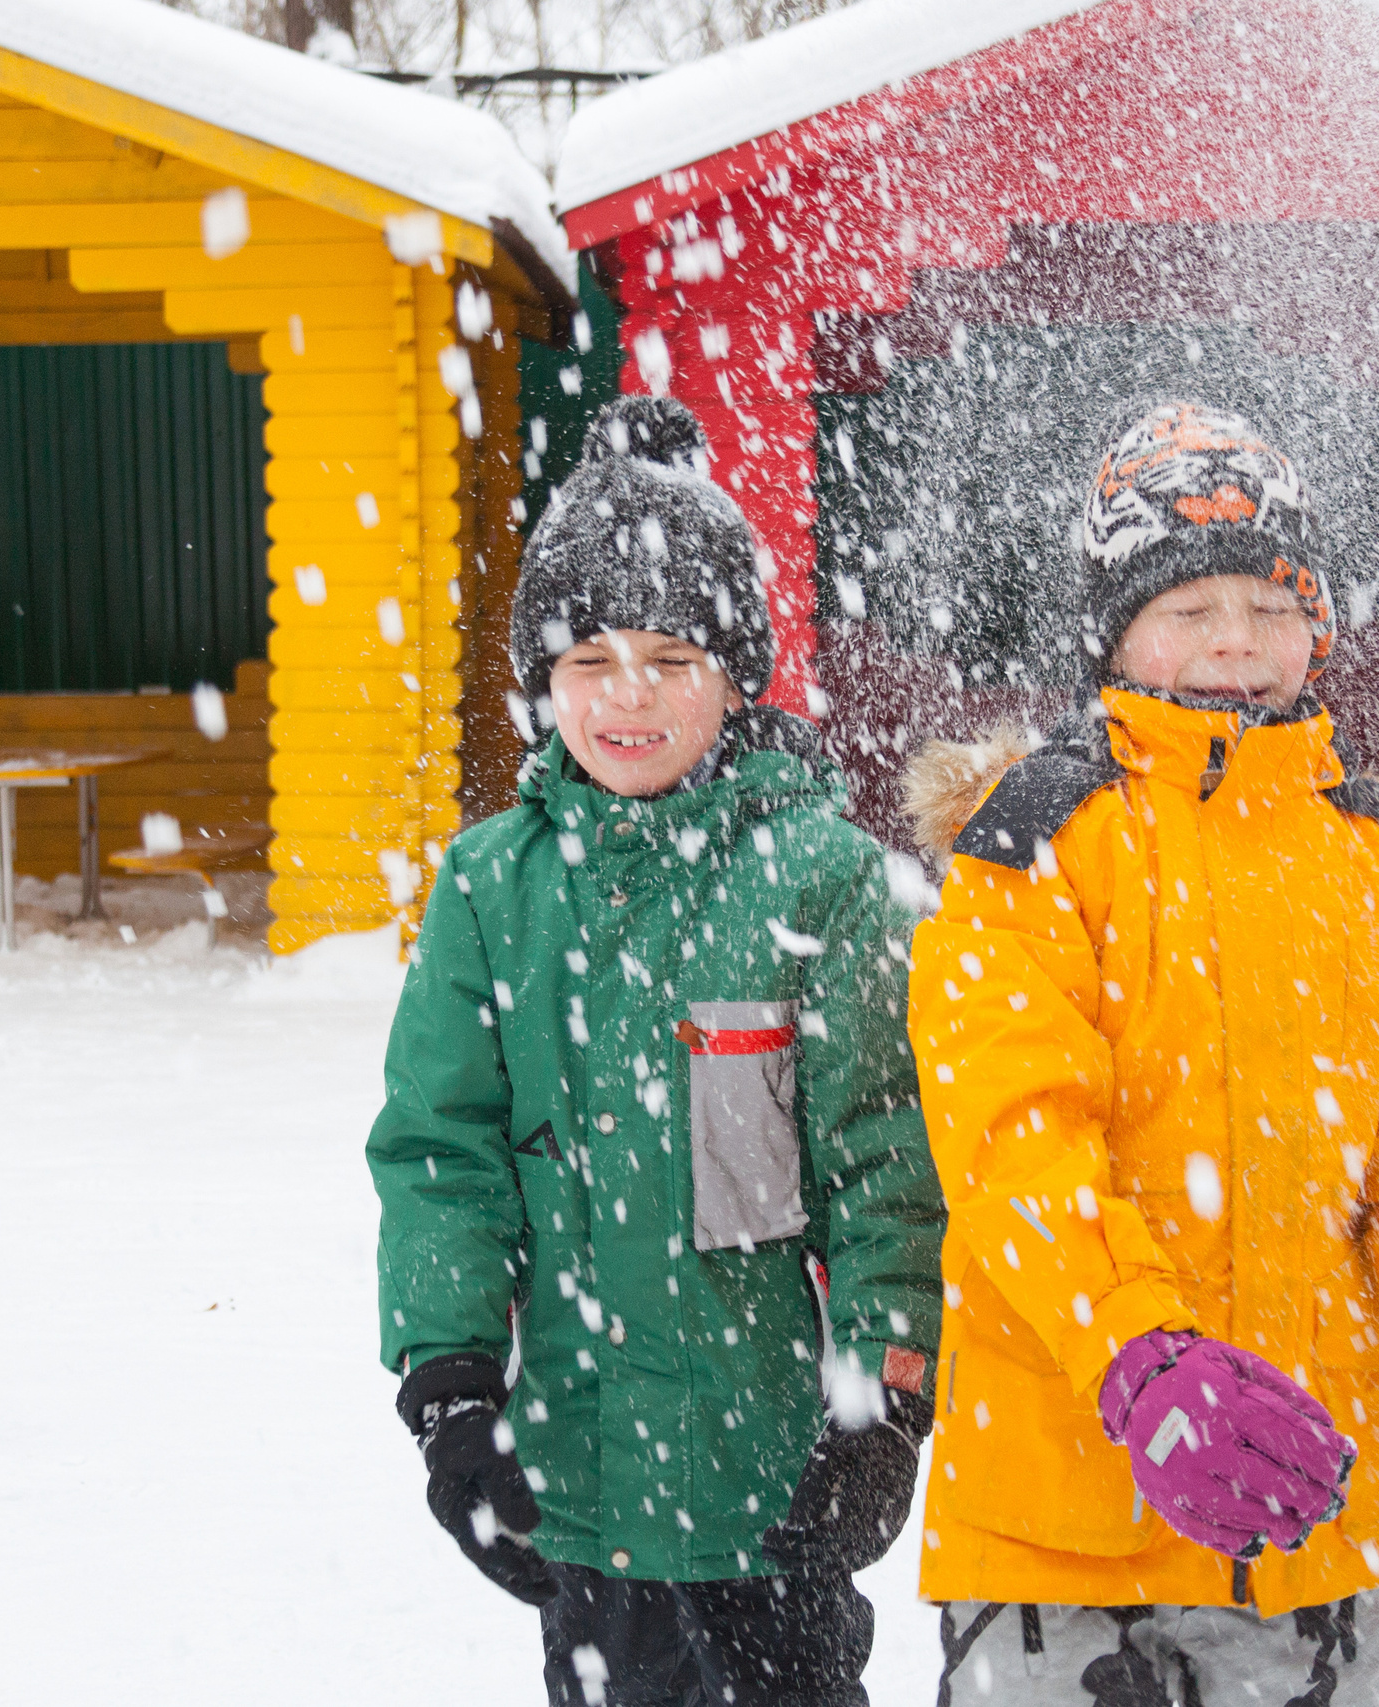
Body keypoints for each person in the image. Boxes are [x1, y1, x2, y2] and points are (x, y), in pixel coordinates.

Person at [899, 402, 1379, 1705]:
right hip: (1059, 1540)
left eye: (1271, 602)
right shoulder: (1029, 849)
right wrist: (1142, 1358)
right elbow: (1014, 1143)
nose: (1236, 638)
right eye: (1188, 607)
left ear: (1320, 628)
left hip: (1304, 1535)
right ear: (1112, 632)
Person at [367, 397, 944, 1707]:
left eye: (673, 658)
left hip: (774, 1477)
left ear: (736, 677)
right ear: (544, 682)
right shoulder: (487, 886)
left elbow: (883, 1164)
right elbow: (439, 1155)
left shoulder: (824, 875)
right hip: (576, 1475)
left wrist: (885, 1395)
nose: (629, 696)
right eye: (591, 660)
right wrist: (451, 1392)